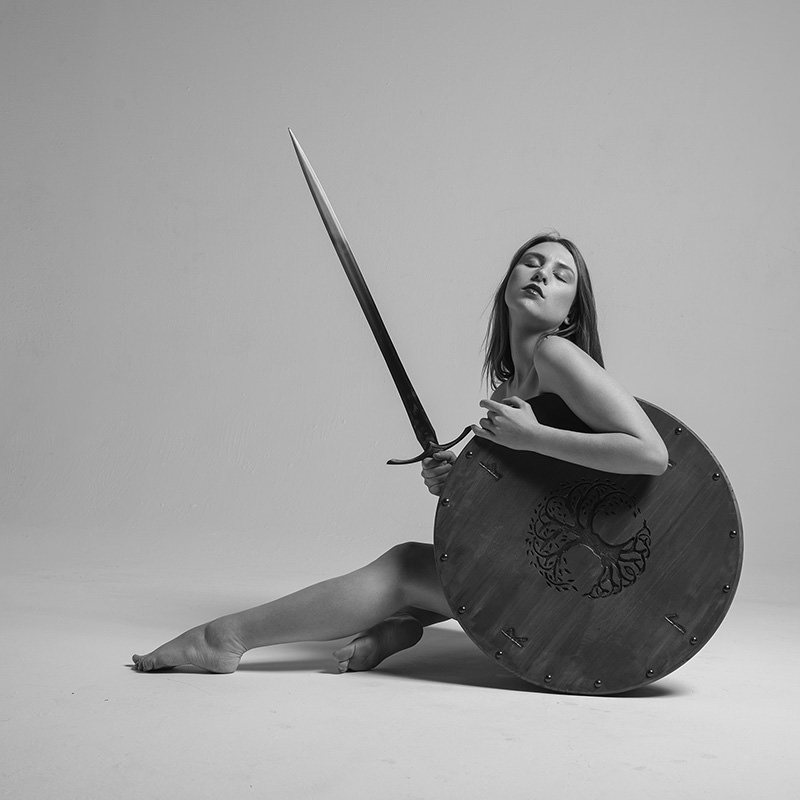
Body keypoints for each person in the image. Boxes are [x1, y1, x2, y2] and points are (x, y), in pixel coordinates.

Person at [132, 232, 668, 674]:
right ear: (507, 283)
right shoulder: (511, 389)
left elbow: (650, 454)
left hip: (588, 602)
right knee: (438, 563)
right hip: (552, 579)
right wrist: (462, 481)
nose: (542, 274)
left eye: (560, 274)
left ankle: (223, 638)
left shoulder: (558, 355)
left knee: (406, 565)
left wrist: (534, 439)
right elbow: (528, 507)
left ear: (569, 314)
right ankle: (400, 627)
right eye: (531, 263)